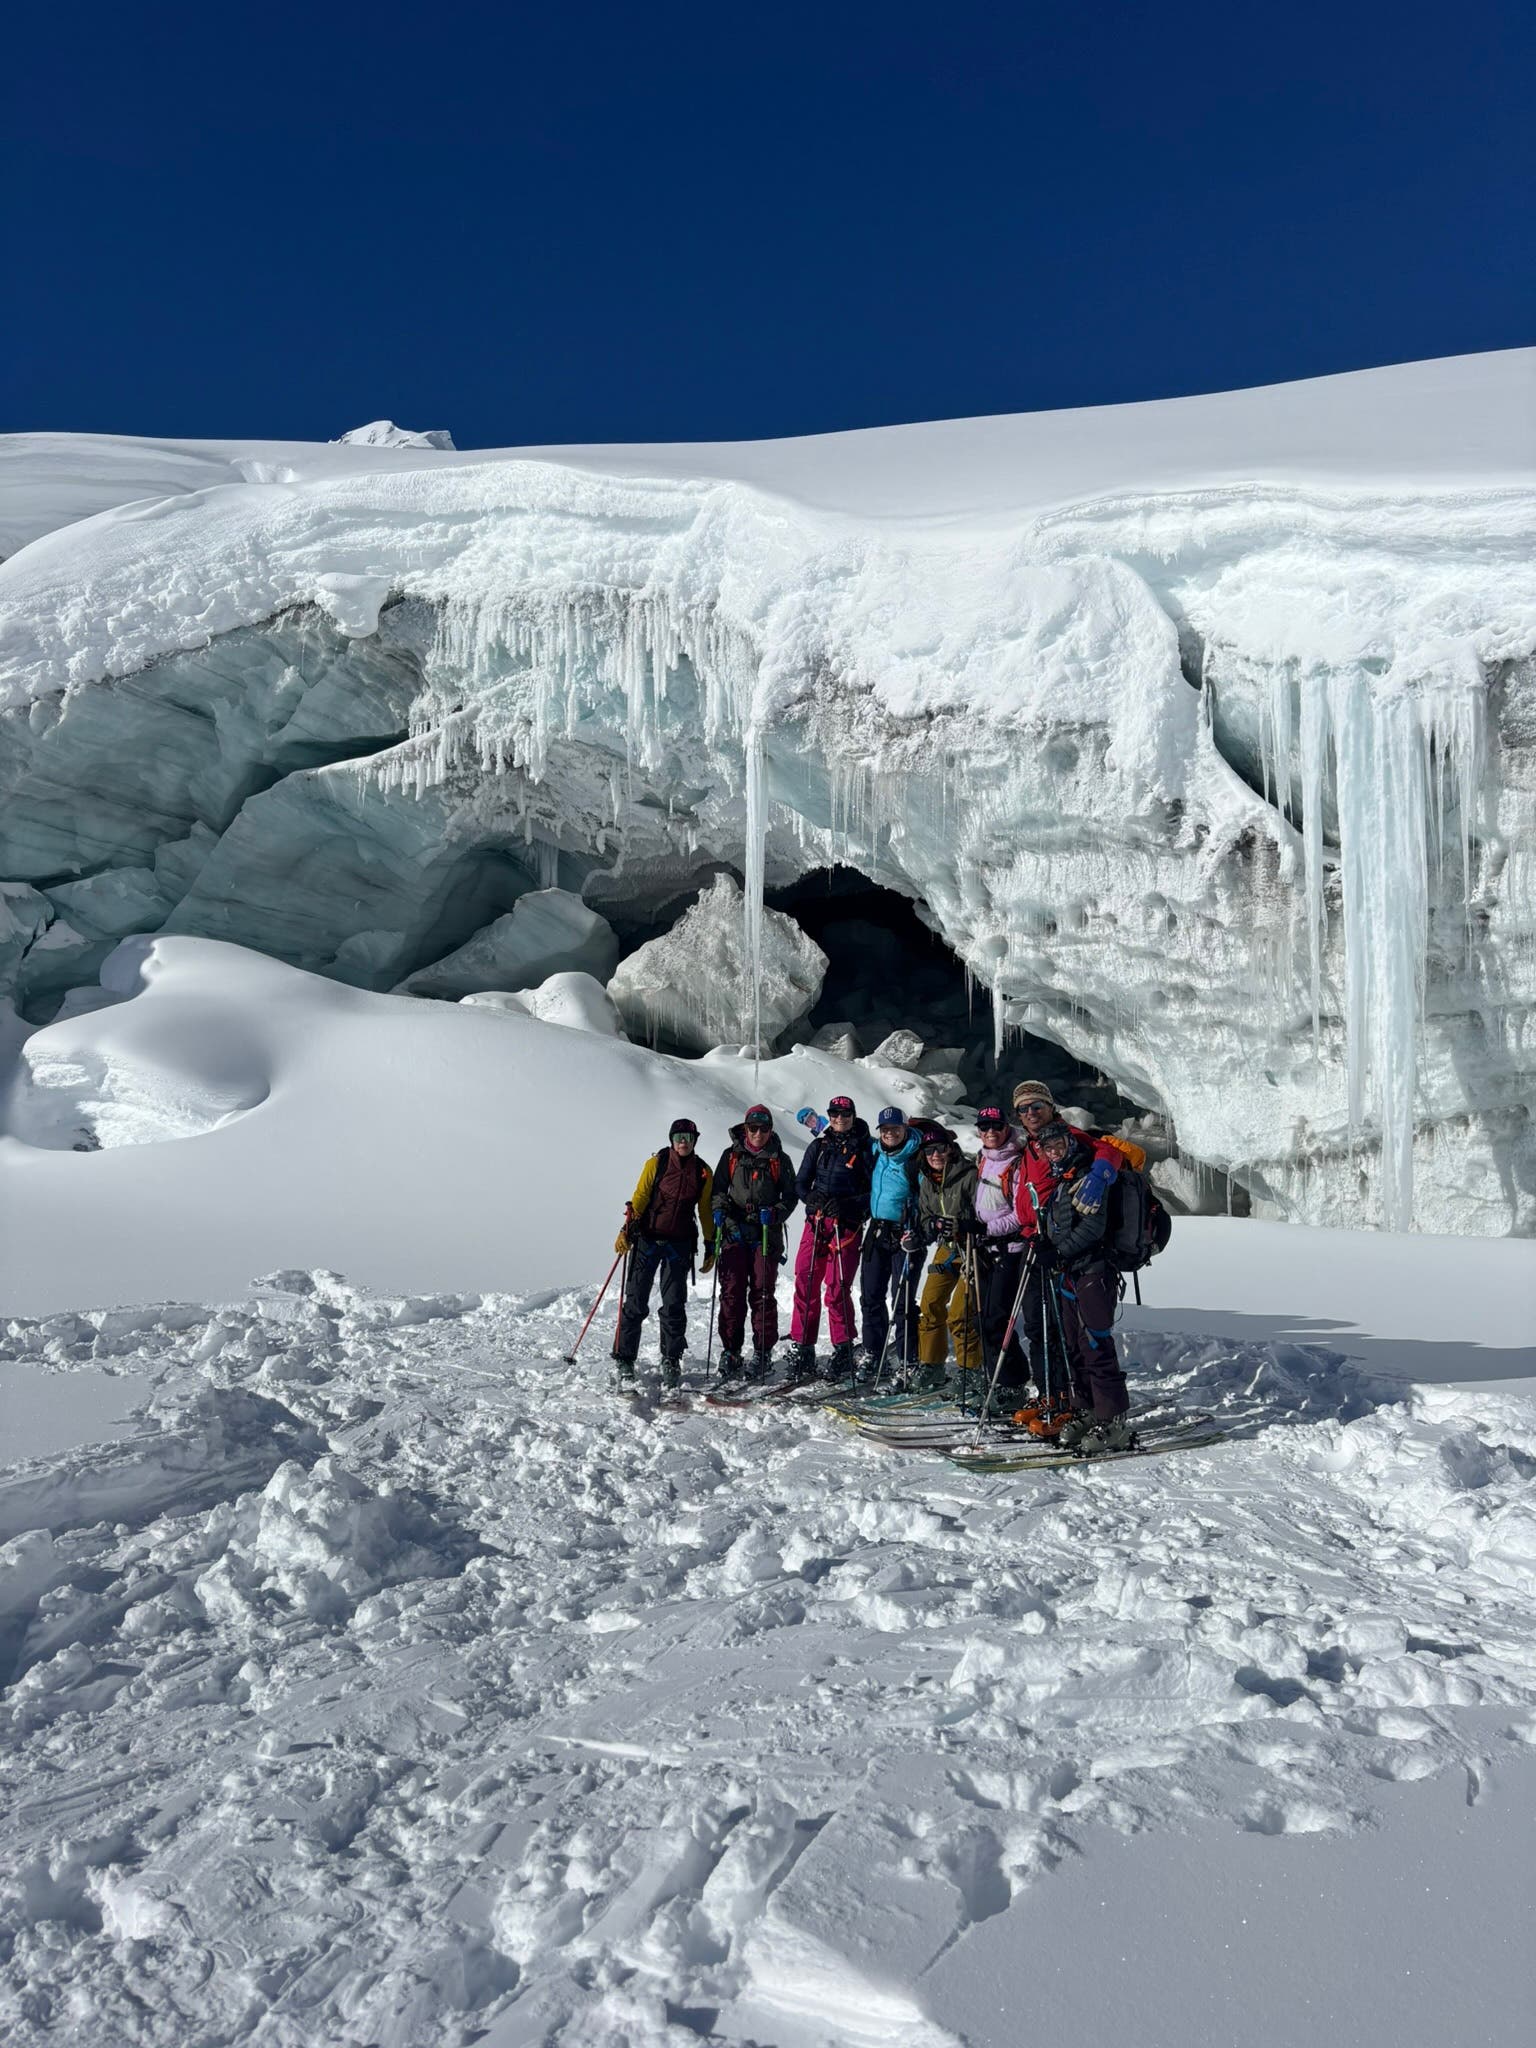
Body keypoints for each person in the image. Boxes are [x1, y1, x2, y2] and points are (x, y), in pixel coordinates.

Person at [1009, 1079, 1124, 1411]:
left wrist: (1101, 1172)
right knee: (1039, 1323)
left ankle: (1066, 1397)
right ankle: (1055, 1394)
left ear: (1050, 1107)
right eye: (1023, 1109)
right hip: (1038, 1243)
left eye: (1036, 1106)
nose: (1030, 1113)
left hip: (1067, 1248)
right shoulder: (1031, 1146)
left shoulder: (1068, 1137)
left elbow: (1109, 1150)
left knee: (1066, 1329)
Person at [1035, 1118, 1133, 1451]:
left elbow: (1093, 1228)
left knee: (1096, 1345)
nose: (1054, 1151)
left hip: (1092, 1271)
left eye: (1059, 1144)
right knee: (1074, 1345)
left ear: (1071, 1143)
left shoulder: (1088, 1178)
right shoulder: (1060, 1179)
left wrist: (1057, 1251)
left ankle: (1113, 1419)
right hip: (1070, 1273)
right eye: (1048, 1148)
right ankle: (1087, 1408)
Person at [613, 1118, 715, 1389]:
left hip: (679, 1243)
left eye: (688, 1137)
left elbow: (705, 1210)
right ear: (672, 1139)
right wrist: (626, 1230)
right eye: (679, 1136)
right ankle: (625, 1358)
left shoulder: (703, 1172)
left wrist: (710, 1243)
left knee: (673, 1303)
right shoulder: (656, 1164)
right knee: (636, 1301)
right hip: (647, 1239)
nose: (683, 1141)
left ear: (695, 1141)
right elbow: (640, 1196)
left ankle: (671, 1357)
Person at [790, 1093, 872, 1379]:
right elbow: (800, 1182)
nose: (839, 1119)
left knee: (838, 1287)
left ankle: (843, 1347)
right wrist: (810, 1197)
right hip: (817, 1221)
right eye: (834, 1114)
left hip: (846, 1225)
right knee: (805, 1279)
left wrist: (847, 1204)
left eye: (845, 1114)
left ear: (853, 1115)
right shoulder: (819, 1145)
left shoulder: (865, 1148)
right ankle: (803, 1346)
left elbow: (873, 1194)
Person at [711, 1104, 796, 1378]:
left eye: (764, 1128)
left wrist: (775, 1213)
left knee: (762, 1292)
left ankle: (762, 1351)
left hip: (764, 1233)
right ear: (745, 1128)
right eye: (753, 1128)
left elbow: (791, 1197)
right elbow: (718, 1189)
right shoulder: (731, 1156)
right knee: (731, 1292)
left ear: (771, 1129)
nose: (758, 1133)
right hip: (735, 1230)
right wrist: (720, 1210)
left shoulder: (779, 1160)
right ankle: (731, 1351)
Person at [907, 1128, 981, 1389]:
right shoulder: (927, 1181)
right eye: (929, 1151)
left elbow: (983, 1215)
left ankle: (970, 1369)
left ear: (951, 1148)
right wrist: (932, 1226)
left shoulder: (969, 1175)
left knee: (961, 1312)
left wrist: (963, 1225)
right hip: (946, 1248)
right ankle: (932, 1364)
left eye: (940, 1149)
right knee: (930, 1304)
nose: (935, 1155)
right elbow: (926, 1217)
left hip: (972, 1249)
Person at [970, 1104, 1031, 1401]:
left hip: (1010, 1249)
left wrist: (986, 1229)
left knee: (997, 1317)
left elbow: (1021, 1215)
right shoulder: (984, 1159)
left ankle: (1012, 1382)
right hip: (987, 1249)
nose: (990, 1132)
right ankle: (995, 1376)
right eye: (985, 1127)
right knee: (983, 1316)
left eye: (996, 1126)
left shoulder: (1017, 1163)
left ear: (1007, 1127)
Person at [860, 1106, 922, 1374]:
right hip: (877, 1230)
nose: (890, 1134)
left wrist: (917, 1230)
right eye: (885, 1129)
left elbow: (927, 1198)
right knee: (870, 1295)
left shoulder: (916, 1159)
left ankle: (909, 1360)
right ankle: (874, 1352)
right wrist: (811, 1121)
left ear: (905, 1129)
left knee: (903, 1300)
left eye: (895, 1129)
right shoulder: (877, 1152)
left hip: (905, 1234)